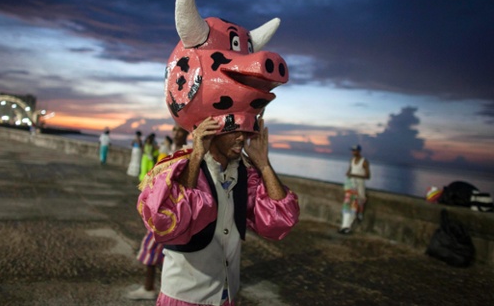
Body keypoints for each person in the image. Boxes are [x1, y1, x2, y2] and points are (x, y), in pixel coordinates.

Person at [137, 116, 299, 305]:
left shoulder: (246, 175)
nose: (241, 138)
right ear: (211, 130)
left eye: (245, 131)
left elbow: (280, 219)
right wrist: (197, 155)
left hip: (227, 296)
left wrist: (264, 164)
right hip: (184, 295)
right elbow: (168, 222)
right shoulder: (179, 170)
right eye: (233, 130)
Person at [126, 126, 190, 301]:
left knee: (154, 247)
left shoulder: (187, 153)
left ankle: (151, 288)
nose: (176, 133)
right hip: (161, 206)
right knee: (158, 250)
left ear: (186, 134)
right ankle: (154, 288)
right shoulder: (169, 151)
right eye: (174, 130)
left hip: (173, 210)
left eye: (179, 130)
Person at [339, 144, 370, 234]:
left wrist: (353, 175)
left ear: (359, 151)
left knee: (355, 206)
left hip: (359, 187)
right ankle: (344, 226)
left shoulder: (364, 161)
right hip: (351, 187)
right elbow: (349, 171)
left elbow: (367, 176)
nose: (353, 152)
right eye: (352, 150)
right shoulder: (351, 160)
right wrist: (348, 176)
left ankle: (348, 227)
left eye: (355, 150)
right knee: (347, 206)